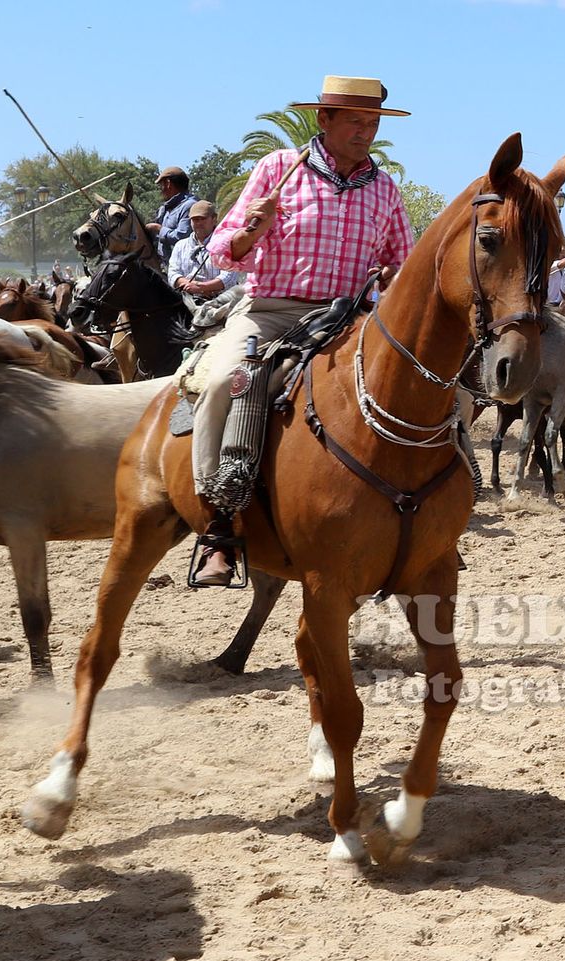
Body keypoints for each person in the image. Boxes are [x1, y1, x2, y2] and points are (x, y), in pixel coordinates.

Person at [192, 75, 414, 586]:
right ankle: (218, 525)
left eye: (373, 122)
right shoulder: (278, 168)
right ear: (324, 119)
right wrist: (253, 230)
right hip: (271, 311)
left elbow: (402, 262)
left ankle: (434, 510)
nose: (366, 131)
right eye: (355, 121)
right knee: (225, 382)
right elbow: (222, 251)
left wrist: (393, 275)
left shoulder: (384, 188)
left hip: (349, 318)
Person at [167, 200, 239, 301]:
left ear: (214, 219)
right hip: (188, 300)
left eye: (203, 219)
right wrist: (192, 287)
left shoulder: (226, 244)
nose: (199, 223)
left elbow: (229, 277)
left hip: (221, 301)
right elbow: (173, 273)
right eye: (195, 219)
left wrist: (202, 288)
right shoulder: (180, 246)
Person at [149, 166, 199, 262]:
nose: (161, 190)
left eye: (161, 185)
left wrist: (159, 229)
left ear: (168, 184)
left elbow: (182, 237)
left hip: (181, 266)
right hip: (164, 265)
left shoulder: (189, 206)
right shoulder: (165, 208)